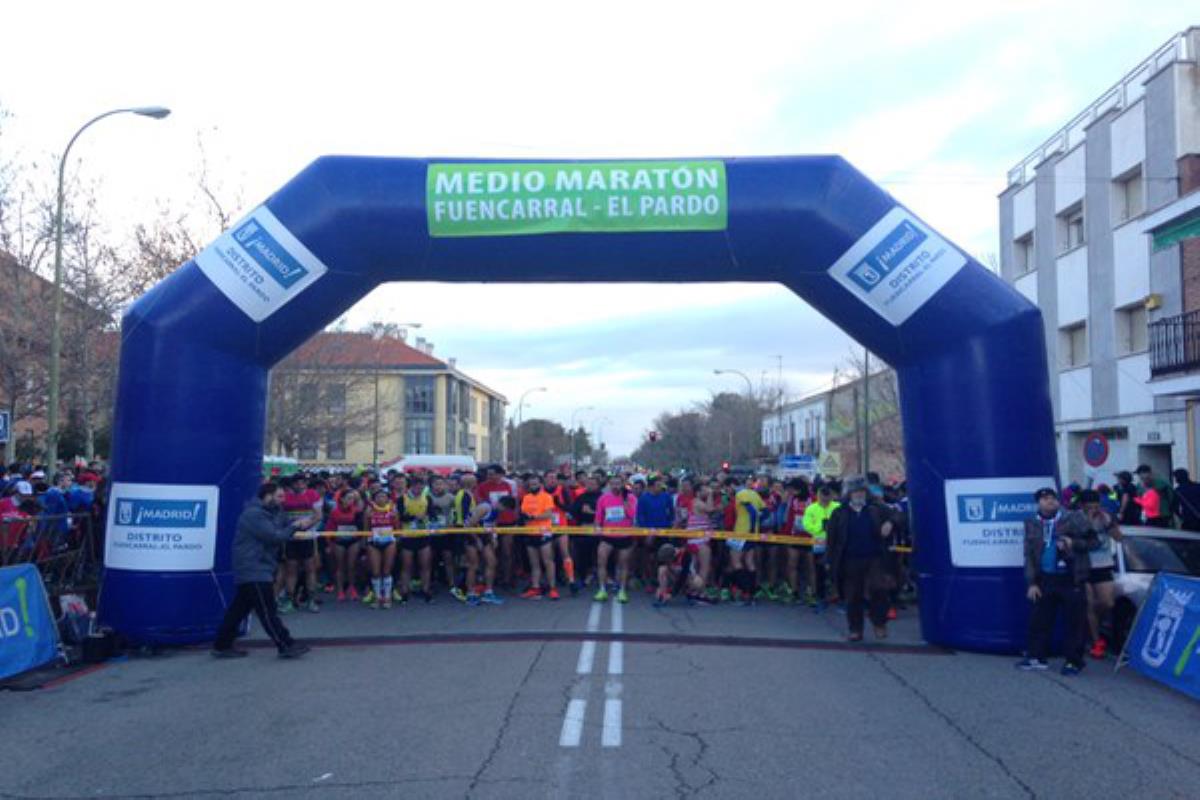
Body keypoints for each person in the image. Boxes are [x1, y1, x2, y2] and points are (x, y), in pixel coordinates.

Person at [212, 482, 315, 658]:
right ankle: (285, 644)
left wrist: (299, 522)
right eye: (279, 497)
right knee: (267, 610)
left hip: (259, 567)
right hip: (254, 567)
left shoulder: (273, 512)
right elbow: (275, 536)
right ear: (267, 496)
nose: (283, 501)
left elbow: (285, 522)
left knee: (238, 610)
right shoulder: (254, 515)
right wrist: (296, 526)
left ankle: (221, 645)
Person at [1017, 487, 1098, 675]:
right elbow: (1029, 554)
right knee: (1040, 620)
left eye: (1053, 498)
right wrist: (1032, 583)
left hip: (1071, 577)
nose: (1050, 501)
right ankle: (1037, 657)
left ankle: (1073, 661)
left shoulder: (1073, 518)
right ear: (1038, 503)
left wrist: (1073, 543)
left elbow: (1094, 542)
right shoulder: (1031, 522)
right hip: (1045, 578)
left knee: (1074, 621)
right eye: (1045, 499)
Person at [827, 477, 895, 641]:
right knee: (853, 595)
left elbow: (898, 515)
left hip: (874, 557)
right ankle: (855, 629)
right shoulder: (839, 513)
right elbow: (832, 540)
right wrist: (829, 561)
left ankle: (879, 622)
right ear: (849, 493)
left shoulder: (876, 508)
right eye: (855, 491)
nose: (859, 494)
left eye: (862, 491)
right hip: (850, 560)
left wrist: (890, 523)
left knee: (879, 590)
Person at [1078, 489, 1123, 659]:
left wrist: (1109, 525)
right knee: (1089, 603)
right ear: (1082, 506)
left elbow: (1119, 538)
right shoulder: (1076, 517)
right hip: (1084, 565)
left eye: (1096, 506)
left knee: (1107, 602)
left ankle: (1092, 624)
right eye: (1090, 507)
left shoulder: (1106, 517)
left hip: (1103, 564)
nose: (1094, 510)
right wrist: (1087, 522)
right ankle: (1097, 641)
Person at [280, 475, 323, 613]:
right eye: (297, 482)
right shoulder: (284, 497)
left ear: (306, 483)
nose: (300, 485)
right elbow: (279, 517)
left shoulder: (313, 495)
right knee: (291, 570)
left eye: (302, 482)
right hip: (290, 538)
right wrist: (291, 529)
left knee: (310, 568)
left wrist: (305, 526)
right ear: (292, 484)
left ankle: (311, 600)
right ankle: (289, 600)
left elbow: (318, 516)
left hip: (308, 537)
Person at [594, 475, 637, 603]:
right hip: (607, 536)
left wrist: (625, 504)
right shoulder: (603, 498)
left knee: (623, 564)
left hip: (624, 536)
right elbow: (598, 516)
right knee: (601, 561)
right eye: (613, 484)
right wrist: (597, 527)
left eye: (618, 484)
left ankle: (622, 590)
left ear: (623, 484)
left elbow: (632, 515)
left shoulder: (630, 497)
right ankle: (602, 589)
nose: (615, 486)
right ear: (609, 484)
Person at [520, 474, 561, 600]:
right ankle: (535, 587)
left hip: (544, 533)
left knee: (548, 561)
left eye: (535, 484)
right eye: (531, 485)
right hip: (530, 532)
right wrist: (528, 517)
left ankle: (553, 588)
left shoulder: (547, 497)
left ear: (540, 485)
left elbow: (548, 514)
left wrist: (533, 517)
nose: (533, 487)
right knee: (534, 564)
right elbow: (524, 513)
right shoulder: (526, 497)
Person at [801, 484, 839, 609]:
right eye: (822, 498)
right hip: (819, 543)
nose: (825, 500)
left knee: (837, 571)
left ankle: (838, 596)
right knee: (820, 571)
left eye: (827, 498)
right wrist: (820, 527)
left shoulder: (837, 507)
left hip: (836, 544)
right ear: (818, 496)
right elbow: (806, 525)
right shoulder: (811, 508)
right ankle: (821, 597)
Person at [325, 489, 363, 601]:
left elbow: (361, 526)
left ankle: (352, 588)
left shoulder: (356, 511)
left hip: (353, 540)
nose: (351, 501)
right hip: (339, 541)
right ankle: (340, 590)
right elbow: (329, 528)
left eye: (353, 499)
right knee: (340, 566)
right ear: (341, 499)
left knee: (351, 566)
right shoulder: (334, 512)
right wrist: (329, 543)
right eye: (349, 498)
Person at [365, 489, 399, 609]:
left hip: (389, 540)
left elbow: (397, 527)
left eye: (384, 496)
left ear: (388, 499)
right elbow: (365, 528)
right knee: (375, 571)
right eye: (378, 497)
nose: (381, 499)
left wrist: (395, 517)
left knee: (387, 570)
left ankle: (388, 596)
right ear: (374, 499)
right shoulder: (369, 510)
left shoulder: (393, 509)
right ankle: (378, 596)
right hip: (374, 541)